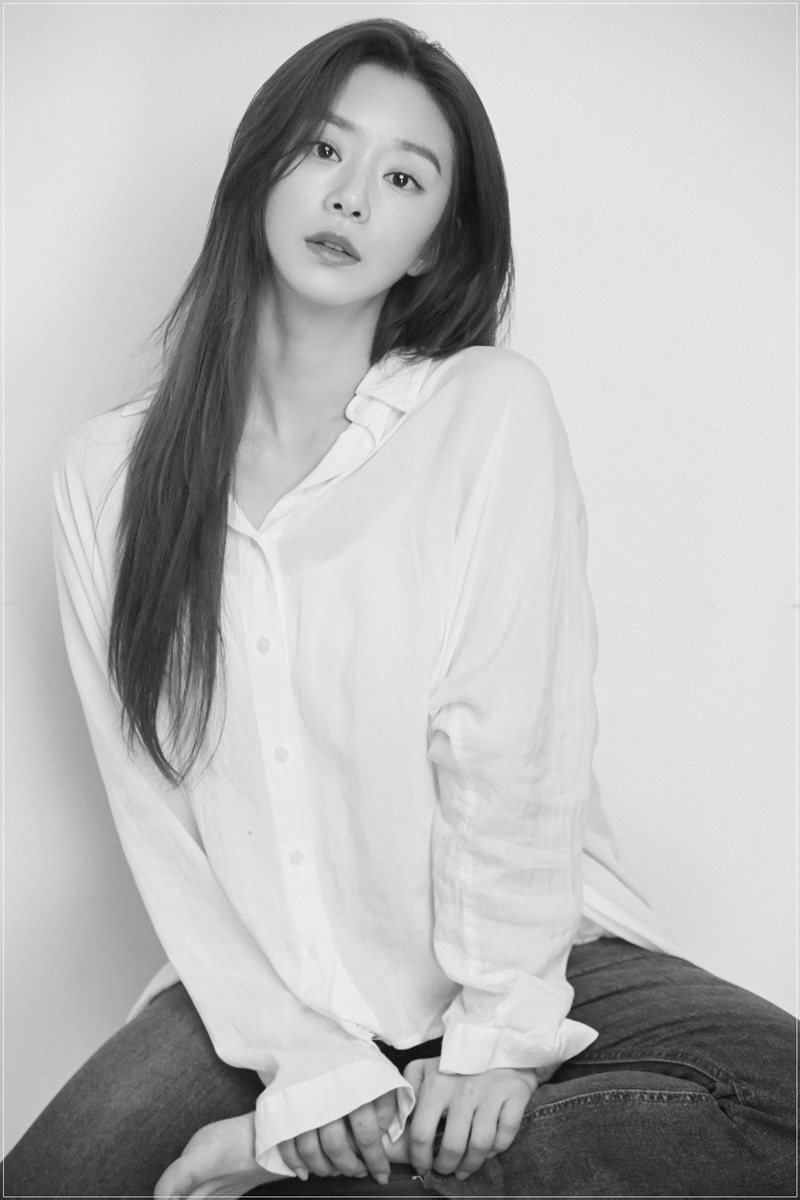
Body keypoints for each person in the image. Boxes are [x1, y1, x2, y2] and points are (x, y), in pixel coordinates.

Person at [3, 18, 795, 1199]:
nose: (351, 197)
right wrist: (303, 1066)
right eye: (324, 150)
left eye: (404, 178)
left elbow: (510, 745)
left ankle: (291, 1171)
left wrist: (495, 1040)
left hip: (522, 959)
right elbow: (154, 816)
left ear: (434, 245)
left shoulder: (483, 411)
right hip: (265, 993)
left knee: (777, 1103)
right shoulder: (105, 477)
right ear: (260, 169)